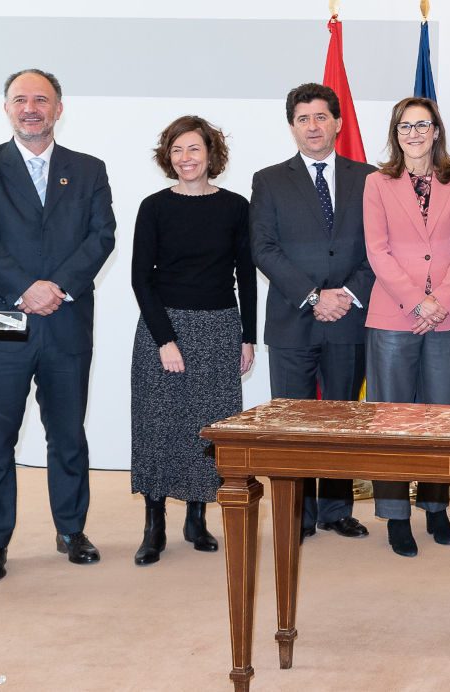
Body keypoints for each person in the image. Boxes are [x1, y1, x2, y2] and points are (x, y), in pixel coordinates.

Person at [0, 68, 117, 582]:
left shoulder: (88, 169)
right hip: (0, 317)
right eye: (20, 99)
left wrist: (57, 288)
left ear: (58, 109)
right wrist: (25, 287)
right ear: (6, 108)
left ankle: (71, 529)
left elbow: (102, 236)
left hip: (67, 318)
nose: (31, 108)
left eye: (41, 100)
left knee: (68, 433)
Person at [250, 83, 380, 543]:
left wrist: (346, 293)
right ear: (292, 127)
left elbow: (379, 247)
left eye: (321, 116)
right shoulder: (269, 180)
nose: (313, 126)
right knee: (292, 422)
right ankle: (297, 513)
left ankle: (336, 510)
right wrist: (312, 296)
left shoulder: (369, 177)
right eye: (303, 119)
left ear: (338, 123)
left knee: (343, 419)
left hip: (349, 316)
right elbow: (263, 248)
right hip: (292, 318)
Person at [128, 116, 256, 566]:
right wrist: (165, 339)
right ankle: (154, 524)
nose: (186, 158)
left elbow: (246, 275)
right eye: (177, 150)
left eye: (194, 149)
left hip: (220, 327)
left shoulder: (236, 206)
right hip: (162, 327)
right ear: (168, 157)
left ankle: (197, 519)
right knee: (157, 426)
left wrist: (247, 337)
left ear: (210, 154)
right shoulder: (154, 207)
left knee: (208, 426)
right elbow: (140, 278)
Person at [362, 97, 450, 557]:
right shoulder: (377, 183)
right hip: (394, 314)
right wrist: (417, 302)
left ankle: (434, 507)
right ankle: (395, 516)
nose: (414, 134)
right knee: (392, 419)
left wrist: (440, 302)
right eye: (405, 126)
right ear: (396, 134)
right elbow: (377, 250)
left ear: (436, 131)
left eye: (422, 125)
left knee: (442, 417)